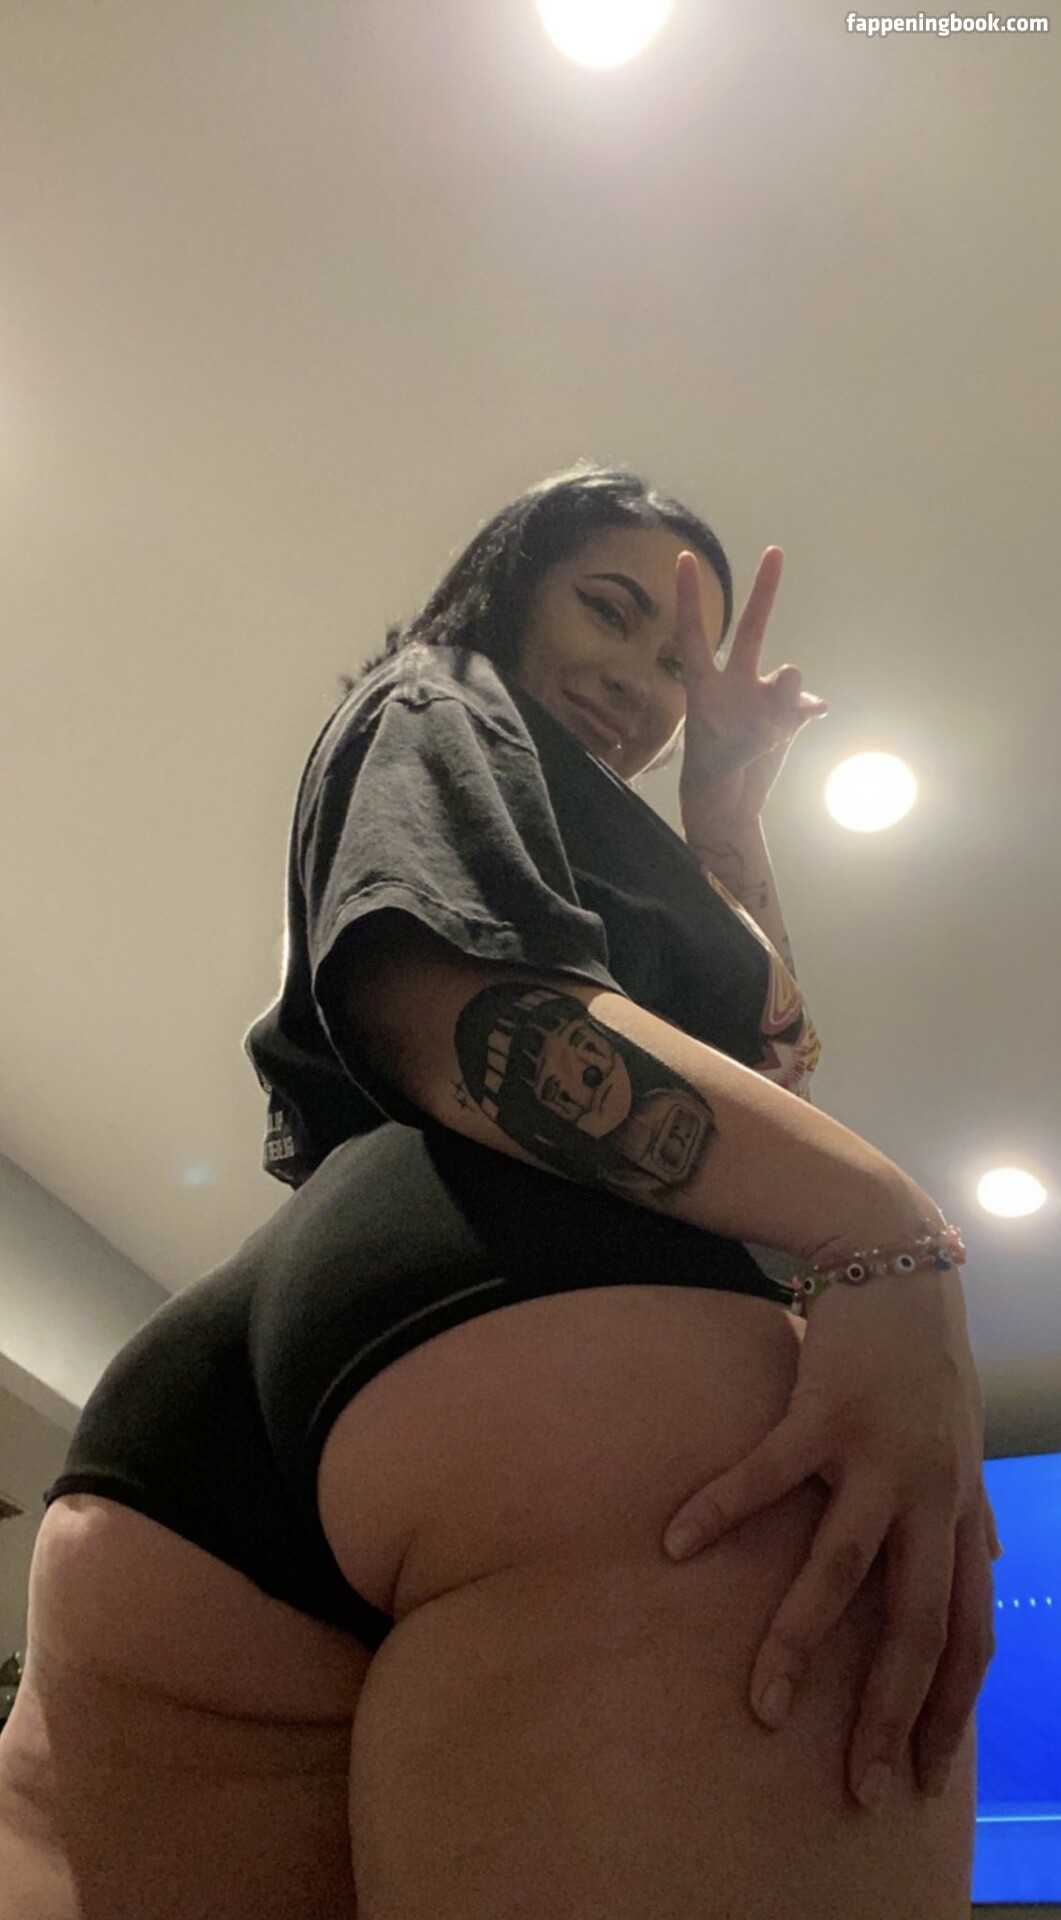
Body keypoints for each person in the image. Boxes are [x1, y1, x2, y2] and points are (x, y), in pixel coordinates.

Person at [0, 463, 997, 1919]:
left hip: (214, 1443)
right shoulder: (442, 697)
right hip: (545, 1318)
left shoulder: (605, 837)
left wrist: (724, 804)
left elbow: (768, 1075)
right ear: (504, 587)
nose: (645, 680)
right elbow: (459, 1003)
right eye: (610, 610)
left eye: (678, 664)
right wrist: (889, 1237)